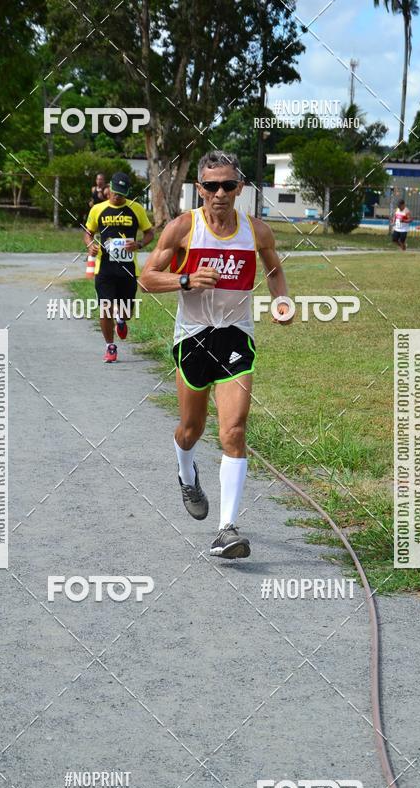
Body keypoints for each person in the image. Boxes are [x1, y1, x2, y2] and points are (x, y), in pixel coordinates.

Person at [140, 150, 293, 559]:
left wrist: (281, 301)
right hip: (193, 337)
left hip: (235, 336)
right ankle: (186, 472)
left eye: (228, 185)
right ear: (200, 189)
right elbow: (146, 279)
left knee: (234, 430)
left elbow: (274, 270)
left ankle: (227, 529)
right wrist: (185, 279)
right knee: (191, 430)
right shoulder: (182, 228)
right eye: (211, 186)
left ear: (240, 187)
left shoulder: (256, 230)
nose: (219, 193)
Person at [84, 172, 154, 362]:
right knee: (105, 308)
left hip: (128, 269)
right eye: (115, 192)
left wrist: (138, 244)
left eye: (122, 193)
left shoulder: (136, 209)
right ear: (109, 189)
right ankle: (110, 347)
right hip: (105, 268)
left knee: (126, 311)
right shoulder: (98, 209)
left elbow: (150, 233)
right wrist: (90, 245)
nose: (118, 196)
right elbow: (88, 233)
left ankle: (121, 320)